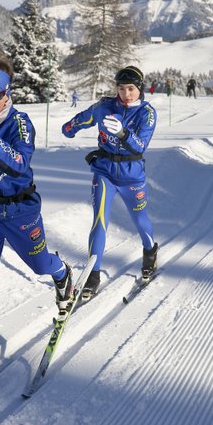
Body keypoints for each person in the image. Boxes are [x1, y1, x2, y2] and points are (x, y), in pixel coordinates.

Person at [0, 50, 73, 393]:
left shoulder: (20, 123)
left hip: (22, 211)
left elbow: (19, 164)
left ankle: (62, 273)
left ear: (8, 94)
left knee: (40, 264)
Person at [61, 65, 158, 300]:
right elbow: (79, 122)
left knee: (140, 221)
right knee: (99, 221)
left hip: (132, 176)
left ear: (140, 89)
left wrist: (123, 133)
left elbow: (140, 145)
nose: (126, 94)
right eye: (122, 89)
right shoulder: (106, 106)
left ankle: (149, 251)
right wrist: (71, 127)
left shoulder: (147, 113)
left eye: (131, 89)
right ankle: (93, 275)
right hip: (104, 173)